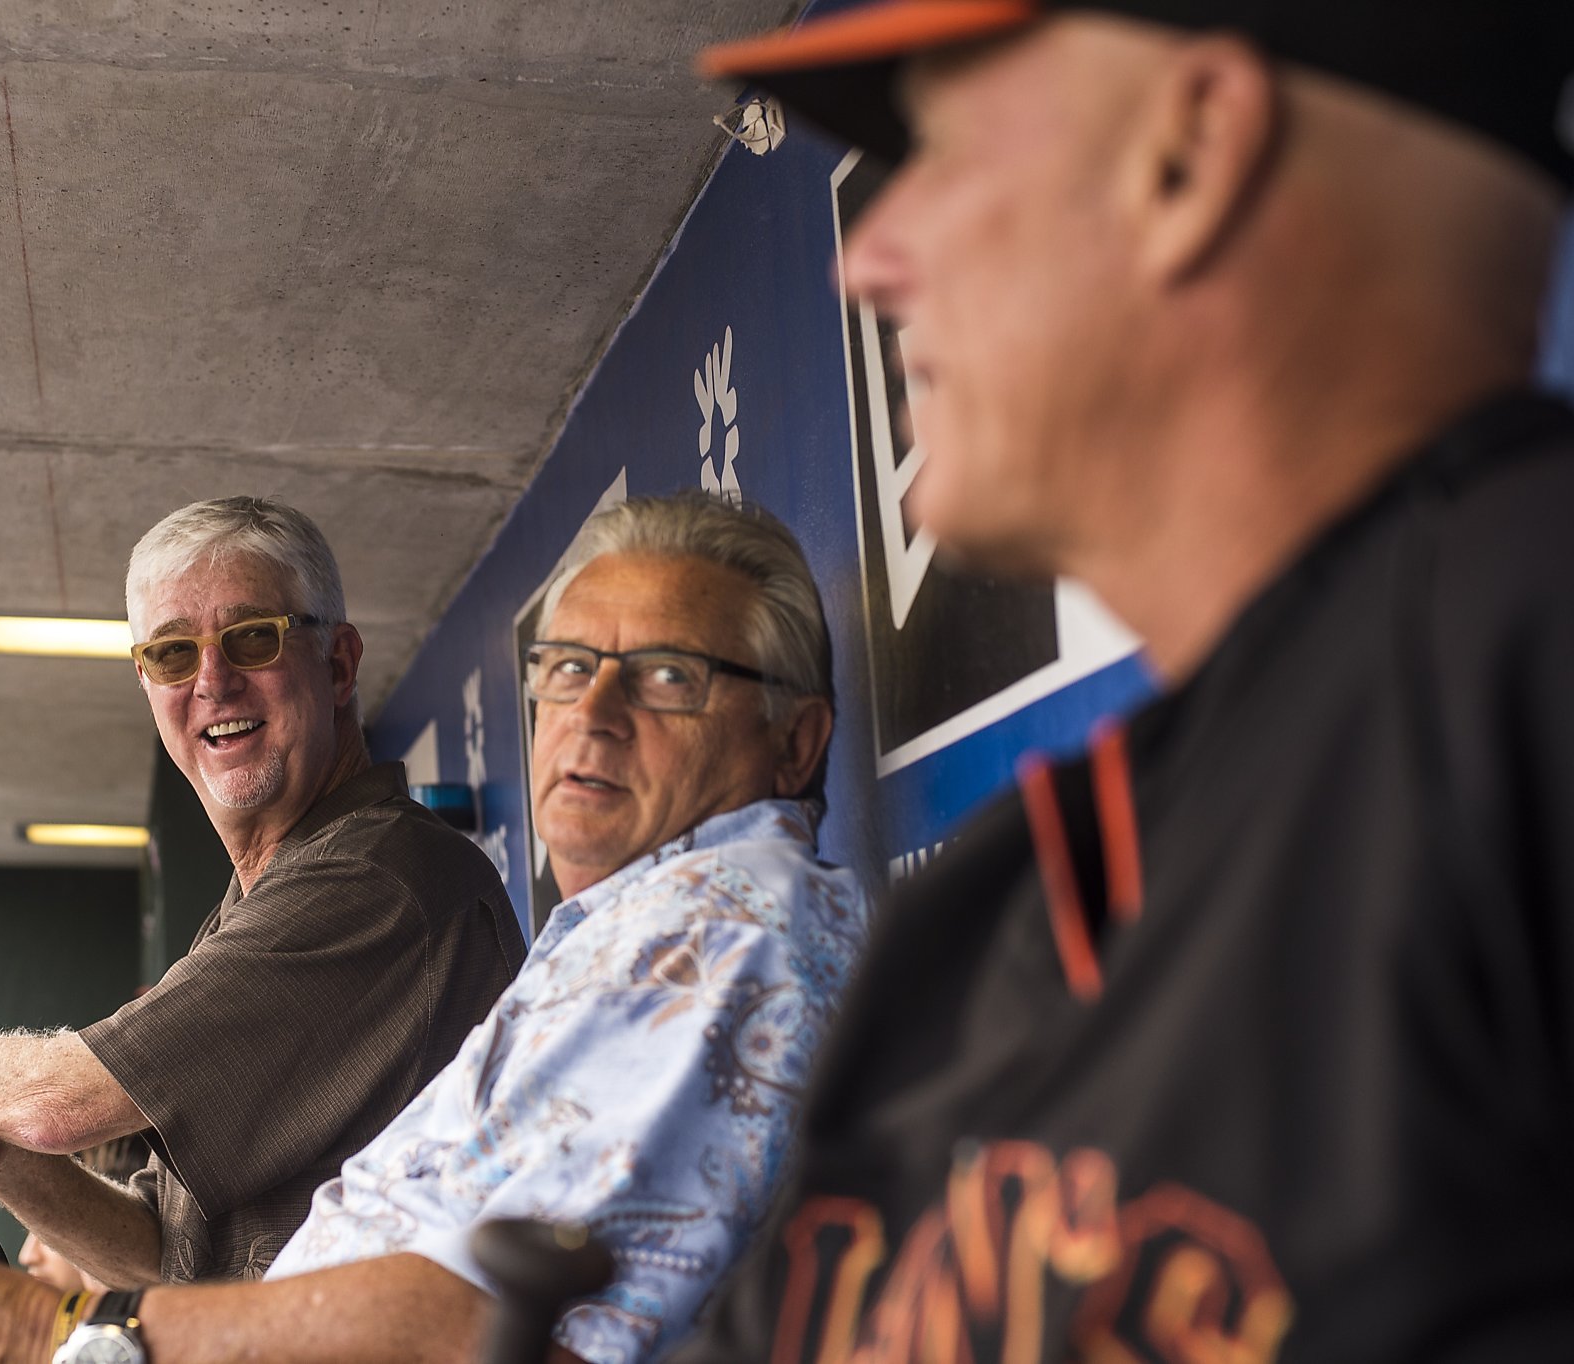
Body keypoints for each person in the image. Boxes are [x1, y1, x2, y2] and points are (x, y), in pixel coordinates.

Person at [672, 2, 1574, 1360]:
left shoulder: (1519, 645)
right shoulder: (976, 921)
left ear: (1190, 154)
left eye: (943, 152)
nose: (870, 257)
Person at [0, 492, 869, 1364]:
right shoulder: (619, 934)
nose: (592, 714)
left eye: (668, 675)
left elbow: (486, 1318)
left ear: (795, 743)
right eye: (567, 668)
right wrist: (8, 1170)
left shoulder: (718, 933)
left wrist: (33, 1326)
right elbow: (173, 1258)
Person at [0, 496, 526, 1286]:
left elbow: (59, 1100)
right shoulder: (254, 902)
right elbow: (155, 1254)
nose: (213, 681)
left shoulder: (378, 874)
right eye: (173, 653)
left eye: (251, 639)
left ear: (340, 664)